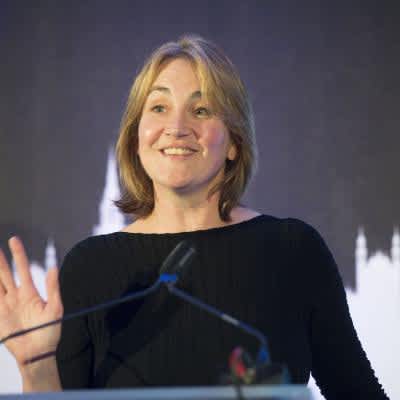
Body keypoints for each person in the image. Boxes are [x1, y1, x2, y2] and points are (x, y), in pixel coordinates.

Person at [0, 35, 389, 398]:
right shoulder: (90, 267)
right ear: (136, 137)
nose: (176, 128)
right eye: (159, 108)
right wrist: (36, 365)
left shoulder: (293, 251)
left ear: (234, 142)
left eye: (201, 110)